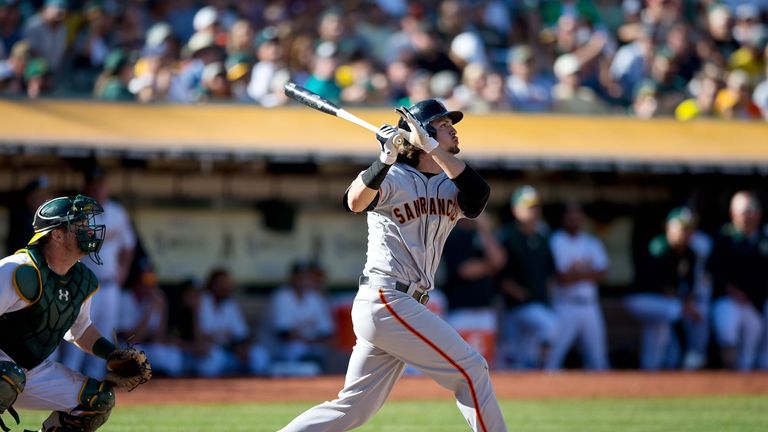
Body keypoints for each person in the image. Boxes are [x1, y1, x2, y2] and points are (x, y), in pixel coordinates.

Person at [280, 99, 506, 431]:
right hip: (387, 297)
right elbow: (354, 202)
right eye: (443, 125)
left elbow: (478, 197)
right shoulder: (394, 175)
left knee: (352, 409)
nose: (453, 129)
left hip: (400, 306)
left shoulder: (451, 181)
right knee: (471, 370)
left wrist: (431, 145)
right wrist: (385, 158)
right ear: (422, 131)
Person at [0, 195, 146, 431]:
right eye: (79, 225)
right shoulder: (18, 270)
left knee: (98, 400)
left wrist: (111, 354)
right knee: (6, 379)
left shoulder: (80, 278)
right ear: (56, 234)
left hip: (28, 370)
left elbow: (80, 329)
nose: (89, 231)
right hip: (5, 369)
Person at [60, 167, 136, 379]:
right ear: (86, 187)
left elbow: (128, 246)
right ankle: (67, 382)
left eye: (101, 185)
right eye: (93, 185)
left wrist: (124, 270)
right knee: (77, 335)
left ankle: (93, 386)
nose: (97, 189)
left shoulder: (117, 212)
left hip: (110, 284)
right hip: (82, 284)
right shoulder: (75, 213)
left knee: (103, 335)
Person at [625, 207, 697, 370]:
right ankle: (684, 355)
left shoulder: (689, 253)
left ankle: (656, 367)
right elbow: (662, 286)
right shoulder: (660, 247)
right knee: (674, 311)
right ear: (669, 226)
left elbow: (688, 284)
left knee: (662, 327)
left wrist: (687, 303)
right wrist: (685, 306)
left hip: (663, 302)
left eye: (689, 228)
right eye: (682, 228)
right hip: (642, 298)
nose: (686, 233)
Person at [496, 185, 558, 370]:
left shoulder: (542, 237)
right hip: (514, 306)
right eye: (529, 207)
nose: (534, 211)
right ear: (516, 209)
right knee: (550, 326)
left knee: (522, 355)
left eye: (536, 207)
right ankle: (538, 366)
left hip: (537, 302)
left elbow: (550, 272)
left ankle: (537, 372)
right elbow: (499, 275)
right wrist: (517, 292)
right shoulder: (507, 236)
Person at [545, 202, 610, 371]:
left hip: (590, 306)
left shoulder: (591, 242)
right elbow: (563, 277)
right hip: (565, 305)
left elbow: (603, 273)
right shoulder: (556, 240)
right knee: (553, 359)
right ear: (564, 218)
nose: (575, 219)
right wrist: (588, 272)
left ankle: (598, 395)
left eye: (578, 215)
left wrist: (577, 272)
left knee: (598, 359)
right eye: (571, 215)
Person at [707, 191, 768, 370]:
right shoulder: (724, 237)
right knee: (727, 330)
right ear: (733, 214)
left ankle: (751, 379)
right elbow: (713, 269)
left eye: (753, 211)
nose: (749, 216)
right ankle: (729, 377)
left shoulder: (763, 238)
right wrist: (731, 289)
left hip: (754, 302)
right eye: (744, 212)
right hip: (728, 299)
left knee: (751, 344)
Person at [268, 260, 335, 373]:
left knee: (322, 354)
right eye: (300, 275)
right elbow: (284, 333)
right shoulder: (282, 297)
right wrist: (309, 341)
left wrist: (313, 342)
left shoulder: (315, 298)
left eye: (307, 276)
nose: (304, 280)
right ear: (293, 277)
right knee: (296, 348)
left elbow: (327, 332)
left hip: (311, 346)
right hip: (280, 350)